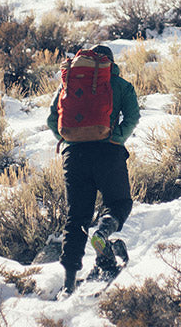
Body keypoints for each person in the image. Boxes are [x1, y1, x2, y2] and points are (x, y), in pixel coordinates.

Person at [47, 44, 140, 295]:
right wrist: (116, 138)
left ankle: (68, 283)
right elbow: (132, 117)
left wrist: (68, 140)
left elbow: (51, 120)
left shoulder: (69, 85)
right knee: (119, 202)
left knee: (76, 217)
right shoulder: (121, 85)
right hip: (108, 153)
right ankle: (104, 230)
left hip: (74, 157)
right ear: (109, 64)